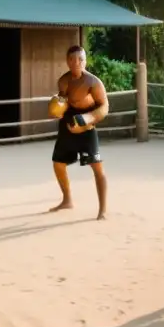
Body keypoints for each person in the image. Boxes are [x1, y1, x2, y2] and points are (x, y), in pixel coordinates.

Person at [47, 45, 110, 220]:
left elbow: (104, 106)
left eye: (80, 59)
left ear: (85, 61)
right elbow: (63, 101)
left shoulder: (93, 82)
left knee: (97, 167)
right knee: (58, 163)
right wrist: (56, 108)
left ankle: (102, 210)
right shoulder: (63, 81)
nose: (76, 63)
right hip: (68, 123)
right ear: (67, 61)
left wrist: (88, 119)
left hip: (87, 125)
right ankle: (67, 200)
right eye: (72, 59)